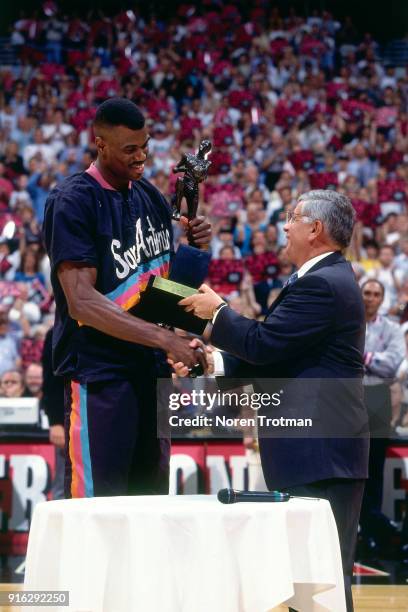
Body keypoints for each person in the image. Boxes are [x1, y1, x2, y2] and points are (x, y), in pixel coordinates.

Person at [177, 189, 369, 612]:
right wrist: (212, 363)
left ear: (315, 229)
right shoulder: (324, 279)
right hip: (317, 453)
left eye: (292, 218)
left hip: (320, 454)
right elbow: (279, 351)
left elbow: (264, 345)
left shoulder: (323, 284)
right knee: (310, 584)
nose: (284, 226)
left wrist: (218, 310)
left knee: (322, 586)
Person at [43, 97, 211, 499]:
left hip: (150, 375)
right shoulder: (72, 200)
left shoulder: (150, 196)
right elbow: (81, 302)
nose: (141, 157)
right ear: (100, 144)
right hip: (100, 375)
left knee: (149, 505)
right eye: (129, 149)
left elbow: (161, 289)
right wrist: (163, 339)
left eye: (145, 145)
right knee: (97, 509)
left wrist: (193, 250)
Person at [360, 279, 405, 556]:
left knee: (374, 469)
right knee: (351, 469)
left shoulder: (392, 328)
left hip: (378, 399)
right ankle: (358, 529)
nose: (371, 298)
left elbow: (393, 365)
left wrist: (362, 357)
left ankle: (372, 530)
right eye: (367, 293)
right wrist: (376, 359)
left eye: (376, 294)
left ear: (382, 299)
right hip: (347, 399)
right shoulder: (347, 323)